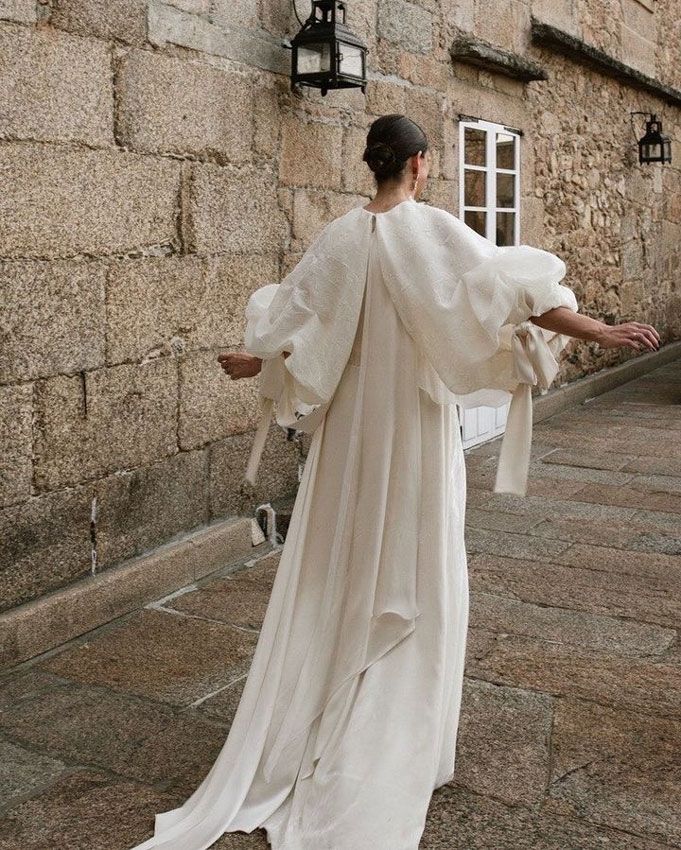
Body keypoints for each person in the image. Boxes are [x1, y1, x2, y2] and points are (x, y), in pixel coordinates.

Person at [129, 114, 660, 850]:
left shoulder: (338, 240)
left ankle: (323, 713)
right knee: (412, 564)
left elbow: (296, 330)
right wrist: (598, 330)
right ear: (417, 164)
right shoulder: (433, 233)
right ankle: (385, 737)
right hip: (410, 426)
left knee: (336, 566)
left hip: (350, 436)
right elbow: (522, 297)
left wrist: (260, 363)